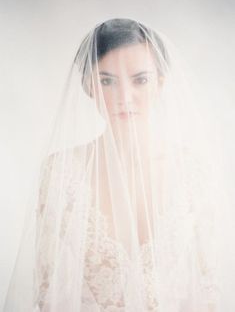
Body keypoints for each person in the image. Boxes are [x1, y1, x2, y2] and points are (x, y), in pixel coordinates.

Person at [4, 18, 224, 312]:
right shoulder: (61, 173)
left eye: (140, 80)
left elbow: (208, 291)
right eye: (107, 81)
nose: (123, 97)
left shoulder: (192, 173)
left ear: (160, 83)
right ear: (89, 86)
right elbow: (47, 295)